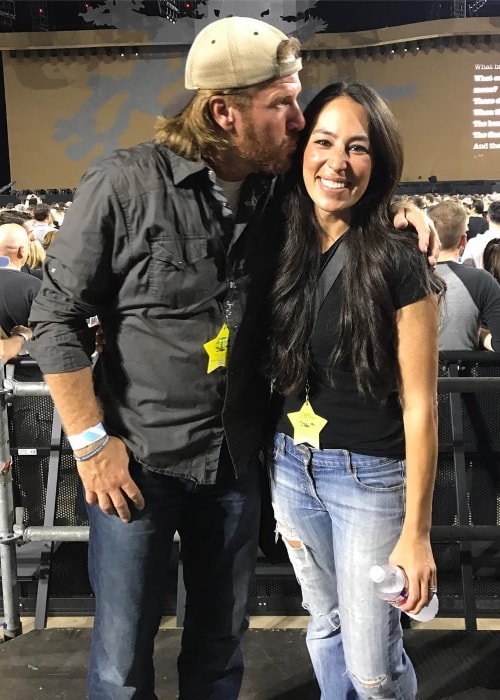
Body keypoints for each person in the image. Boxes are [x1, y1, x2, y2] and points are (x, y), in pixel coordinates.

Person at [27, 17, 438, 700]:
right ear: (224, 112)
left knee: (220, 652)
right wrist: (92, 444)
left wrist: (400, 212)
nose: (298, 119)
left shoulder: (278, 191)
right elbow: (55, 318)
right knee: (121, 663)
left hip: (237, 468)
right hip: (137, 467)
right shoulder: (125, 186)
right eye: (282, 104)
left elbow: (344, 202)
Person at [266, 81, 444, 699]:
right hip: (290, 468)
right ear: (301, 149)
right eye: (323, 141)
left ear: (381, 160)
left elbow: (421, 404)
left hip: (369, 481)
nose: (338, 162)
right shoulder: (277, 237)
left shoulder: (399, 258)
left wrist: (416, 535)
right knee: (326, 628)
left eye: (359, 147)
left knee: (372, 666)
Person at [429, 200, 500, 351]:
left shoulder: (405, 279)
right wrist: (480, 335)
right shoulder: (482, 281)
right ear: (463, 240)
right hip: (464, 372)